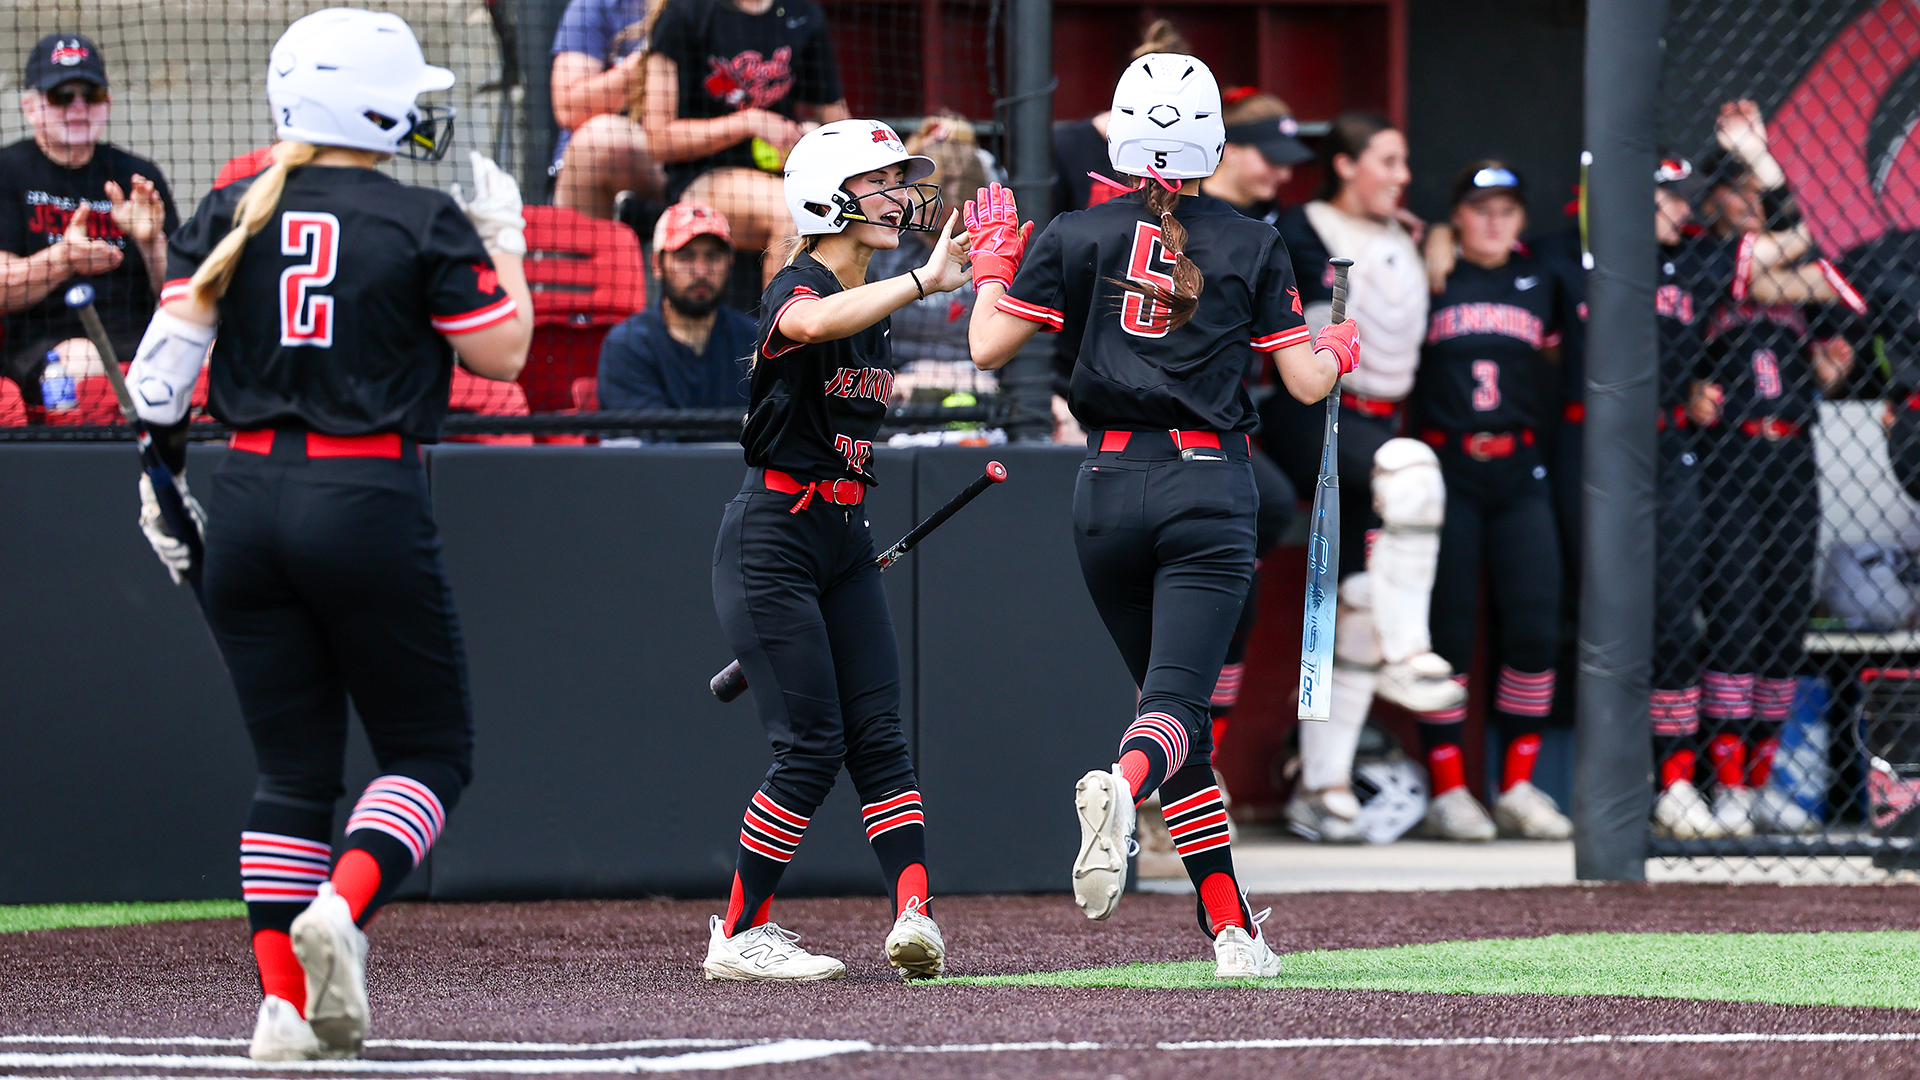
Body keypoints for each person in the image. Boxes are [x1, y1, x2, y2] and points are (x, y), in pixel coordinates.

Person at [121, 9, 531, 1061]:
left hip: (248, 495)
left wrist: (162, 487)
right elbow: (503, 357)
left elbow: (158, 384)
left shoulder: (230, 207)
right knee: (430, 753)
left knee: (292, 777)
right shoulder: (416, 220)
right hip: (365, 501)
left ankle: (283, 1010)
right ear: (377, 100)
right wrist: (505, 241)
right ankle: (342, 911)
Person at [969, 54, 1355, 978]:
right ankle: (1123, 787)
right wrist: (1339, 346)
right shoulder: (1255, 241)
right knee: (1175, 709)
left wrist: (991, 267)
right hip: (1205, 485)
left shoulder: (1073, 231)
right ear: (1212, 141)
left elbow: (988, 344)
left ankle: (1229, 928)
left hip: (1103, 488)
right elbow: (1304, 384)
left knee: (1172, 710)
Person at [706, 118, 959, 982]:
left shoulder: (878, 299)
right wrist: (922, 282)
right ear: (829, 198)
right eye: (880, 181)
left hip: (841, 538)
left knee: (879, 736)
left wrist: (968, 279)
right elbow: (809, 325)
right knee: (811, 745)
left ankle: (916, 915)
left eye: (899, 180)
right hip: (773, 535)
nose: (900, 196)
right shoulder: (799, 283)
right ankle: (738, 933)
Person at [1263, 111, 1460, 843]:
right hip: (1311, 408)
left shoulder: (1405, 234)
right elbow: (1314, 349)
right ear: (1345, 164)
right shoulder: (1304, 226)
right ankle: (1413, 653)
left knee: (1358, 606)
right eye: (1387, 160)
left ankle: (1325, 783)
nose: (1401, 176)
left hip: (1380, 418)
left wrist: (1430, 241)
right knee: (1414, 475)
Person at [1411, 162, 1570, 842]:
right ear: (1457, 216)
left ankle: (1519, 783)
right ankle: (1449, 788)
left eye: (1507, 208)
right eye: (1480, 208)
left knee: (1535, 623)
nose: (1495, 220)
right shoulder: (1430, 272)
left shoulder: (1544, 277)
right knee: (1447, 634)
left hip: (1520, 464)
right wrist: (1432, 245)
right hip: (1446, 464)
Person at [0, 32, 176, 420]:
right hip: (45, 343)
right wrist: (64, 259)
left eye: (91, 95)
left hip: (141, 338)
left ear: (107, 103)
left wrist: (151, 244)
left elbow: (179, 292)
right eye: (62, 95)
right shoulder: (7, 171)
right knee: (80, 360)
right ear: (30, 107)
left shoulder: (138, 175)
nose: (77, 107)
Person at [636, 0, 850, 284]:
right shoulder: (684, 13)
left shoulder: (801, 12)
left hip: (780, 173)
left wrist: (811, 138)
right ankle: (782, 326)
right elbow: (659, 139)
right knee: (792, 212)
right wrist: (749, 122)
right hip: (701, 176)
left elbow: (838, 121)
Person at [863, 116, 992, 401]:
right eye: (934, 228)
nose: (943, 240)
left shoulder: (990, 243)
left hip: (978, 381)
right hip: (894, 384)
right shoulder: (880, 241)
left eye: (956, 227)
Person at [597, 200, 754, 416]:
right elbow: (647, 443)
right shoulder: (627, 346)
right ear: (656, 264)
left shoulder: (755, 341)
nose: (701, 271)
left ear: (730, 262)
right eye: (685, 256)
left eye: (713, 256)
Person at [549, 0, 667, 217]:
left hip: (684, 165)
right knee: (600, 140)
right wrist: (654, 56)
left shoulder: (716, 9)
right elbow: (568, 109)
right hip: (607, 168)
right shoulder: (595, 5)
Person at [1198, 88, 1314, 227]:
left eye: (1287, 163)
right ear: (1229, 150)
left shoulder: (1279, 218)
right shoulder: (1189, 216)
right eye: (1273, 159)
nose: (1285, 175)